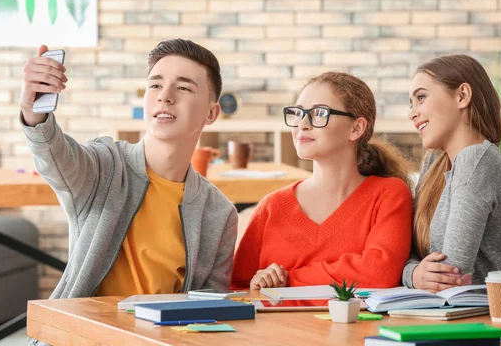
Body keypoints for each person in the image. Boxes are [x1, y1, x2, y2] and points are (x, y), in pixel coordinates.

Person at [20, 39, 238, 301]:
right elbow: (55, 156)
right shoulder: (104, 166)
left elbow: (210, 305)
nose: (164, 96)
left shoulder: (219, 213)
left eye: (183, 87)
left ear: (211, 114)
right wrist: (34, 112)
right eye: (155, 85)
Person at [231, 72, 413, 290]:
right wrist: (257, 284)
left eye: (318, 113)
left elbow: (377, 273)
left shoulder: (389, 194)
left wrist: (289, 279)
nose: (302, 124)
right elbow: (240, 288)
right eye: (298, 113)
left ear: (356, 128)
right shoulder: (271, 207)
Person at [403, 54, 501, 313]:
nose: (412, 113)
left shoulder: (478, 160)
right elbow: (411, 253)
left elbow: (451, 274)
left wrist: (416, 274)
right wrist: (414, 274)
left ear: (462, 96)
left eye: (421, 97)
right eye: (411, 103)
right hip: (462, 317)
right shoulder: (433, 167)